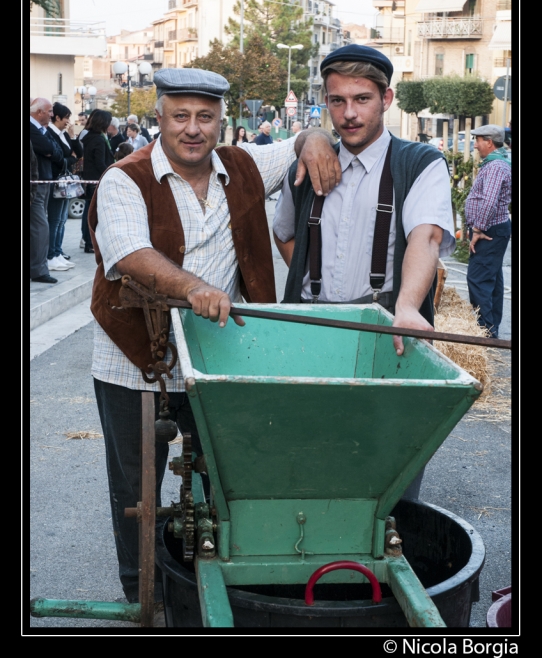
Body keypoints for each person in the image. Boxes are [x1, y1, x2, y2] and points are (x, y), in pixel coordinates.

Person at [87, 67, 340, 607]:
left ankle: (207, 583)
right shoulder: (123, 179)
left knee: (223, 481)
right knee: (136, 492)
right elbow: (130, 253)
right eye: (180, 116)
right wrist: (194, 286)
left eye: (205, 117)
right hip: (133, 362)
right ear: (159, 118)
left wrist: (315, 136)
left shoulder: (243, 165)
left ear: (222, 121)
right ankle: (143, 600)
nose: (193, 129)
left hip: (215, 361)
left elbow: (301, 139)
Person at [273, 45, 455, 500]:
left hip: (386, 335)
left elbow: (426, 237)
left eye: (362, 99)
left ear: (387, 99)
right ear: (326, 103)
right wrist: (310, 281)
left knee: (388, 473)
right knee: (308, 464)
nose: (349, 113)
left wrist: (408, 307)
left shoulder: (419, 163)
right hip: (312, 332)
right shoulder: (311, 162)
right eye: (338, 101)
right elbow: (283, 234)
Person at [465, 125, 511, 339]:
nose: (475, 145)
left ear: (490, 142)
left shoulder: (495, 167)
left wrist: (477, 229)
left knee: (478, 279)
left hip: (488, 230)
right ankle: (491, 330)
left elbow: (489, 202)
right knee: (492, 280)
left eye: (478, 140)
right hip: (495, 228)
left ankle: (486, 333)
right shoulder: (498, 163)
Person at [30, 97, 64, 284]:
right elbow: (47, 148)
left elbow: (57, 151)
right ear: (40, 112)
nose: (53, 115)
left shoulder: (44, 130)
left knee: (41, 225)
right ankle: (39, 270)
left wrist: (53, 153)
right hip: (34, 184)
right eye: (50, 111)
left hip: (44, 182)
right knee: (40, 227)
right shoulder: (30, 128)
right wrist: (52, 152)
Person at [47, 103, 83, 272]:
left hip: (65, 181)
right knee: (54, 220)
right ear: (57, 117)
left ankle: (58, 251)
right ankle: (51, 254)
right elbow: (61, 159)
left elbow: (77, 153)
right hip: (56, 180)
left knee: (61, 220)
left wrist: (73, 137)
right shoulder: (50, 133)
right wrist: (71, 159)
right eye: (66, 117)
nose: (68, 121)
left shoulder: (63, 134)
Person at [82, 109, 115, 253]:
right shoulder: (99, 139)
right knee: (93, 213)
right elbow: (100, 162)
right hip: (96, 180)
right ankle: (90, 242)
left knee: (88, 212)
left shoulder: (89, 136)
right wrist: (112, 173)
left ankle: (87, 240)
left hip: (89, 179)